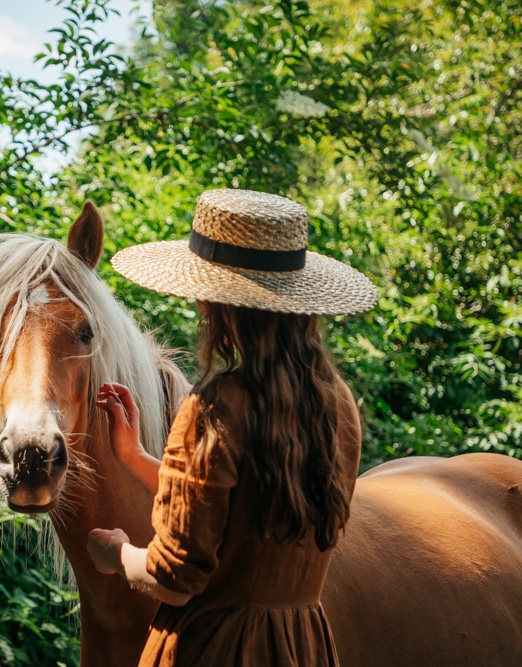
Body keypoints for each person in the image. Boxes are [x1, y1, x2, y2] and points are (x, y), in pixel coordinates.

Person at [87, 189, 378, 666]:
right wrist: (136, 457)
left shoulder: (217, 405)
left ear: (213, 302)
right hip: (301, 644)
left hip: (214, 650)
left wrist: (117, 553)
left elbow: (172, 581)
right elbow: (244, 517)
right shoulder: (337, 401)